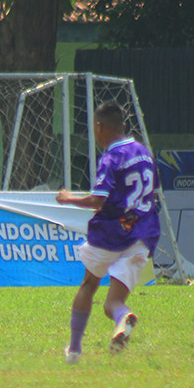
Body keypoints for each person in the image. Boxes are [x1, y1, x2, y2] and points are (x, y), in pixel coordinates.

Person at [55, 101, 161, 363]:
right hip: (142, 234)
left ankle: (75, 350)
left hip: (112, 234)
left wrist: (68, 199)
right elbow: (151, 193)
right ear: (123, 126)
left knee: (89, 284)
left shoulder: (111, 158)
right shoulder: (144, 153)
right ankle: (123, 317)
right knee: (112, 303)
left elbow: (98, 200)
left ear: (99, 127)